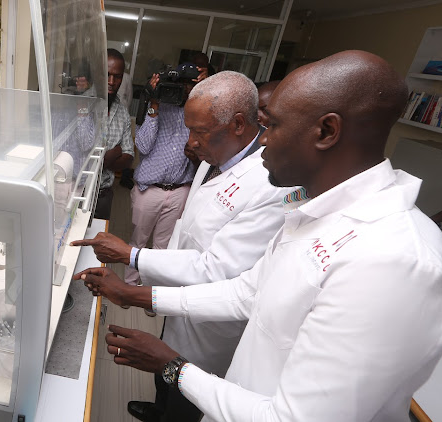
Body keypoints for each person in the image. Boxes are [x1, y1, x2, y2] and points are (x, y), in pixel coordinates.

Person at [76, 50, 442, 421]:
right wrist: (133, 294)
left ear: (326, 131)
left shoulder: (394, 258)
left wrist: (174, 367)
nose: (263, 141)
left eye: (272, 125)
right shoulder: (314, 210)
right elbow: (245, 294)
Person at [72, 71, 291, 422]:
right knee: (166, 374)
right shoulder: (215, 157)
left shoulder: (271, 185)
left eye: (199, 132)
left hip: (209, 327)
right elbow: (185, 233)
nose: (190, 142)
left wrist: (133, 260)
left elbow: (216, 269)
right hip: (178, 303)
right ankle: (159, 410)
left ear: (237, 124)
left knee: (186, 400)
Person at [127, 62, 205, 285]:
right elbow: (142, 146)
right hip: (149, 189)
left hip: (181, 189)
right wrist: (153, 103)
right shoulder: (158, 106)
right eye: (181, 84)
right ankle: (130, 285)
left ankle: (151, 291)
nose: (185, 89)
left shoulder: (200, 115)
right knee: (138, 241)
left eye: (191, 84)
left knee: (163, 246)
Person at [94, 49, 135, 220]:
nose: (112, 81)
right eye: (107, 74)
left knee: (96, 243)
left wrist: (103, 160)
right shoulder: (83, 104)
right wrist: (113, 154)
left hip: (104, 195)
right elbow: (81, 160)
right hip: (76, 193)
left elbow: (129, 156)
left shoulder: (123, 112)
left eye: (117, 76)